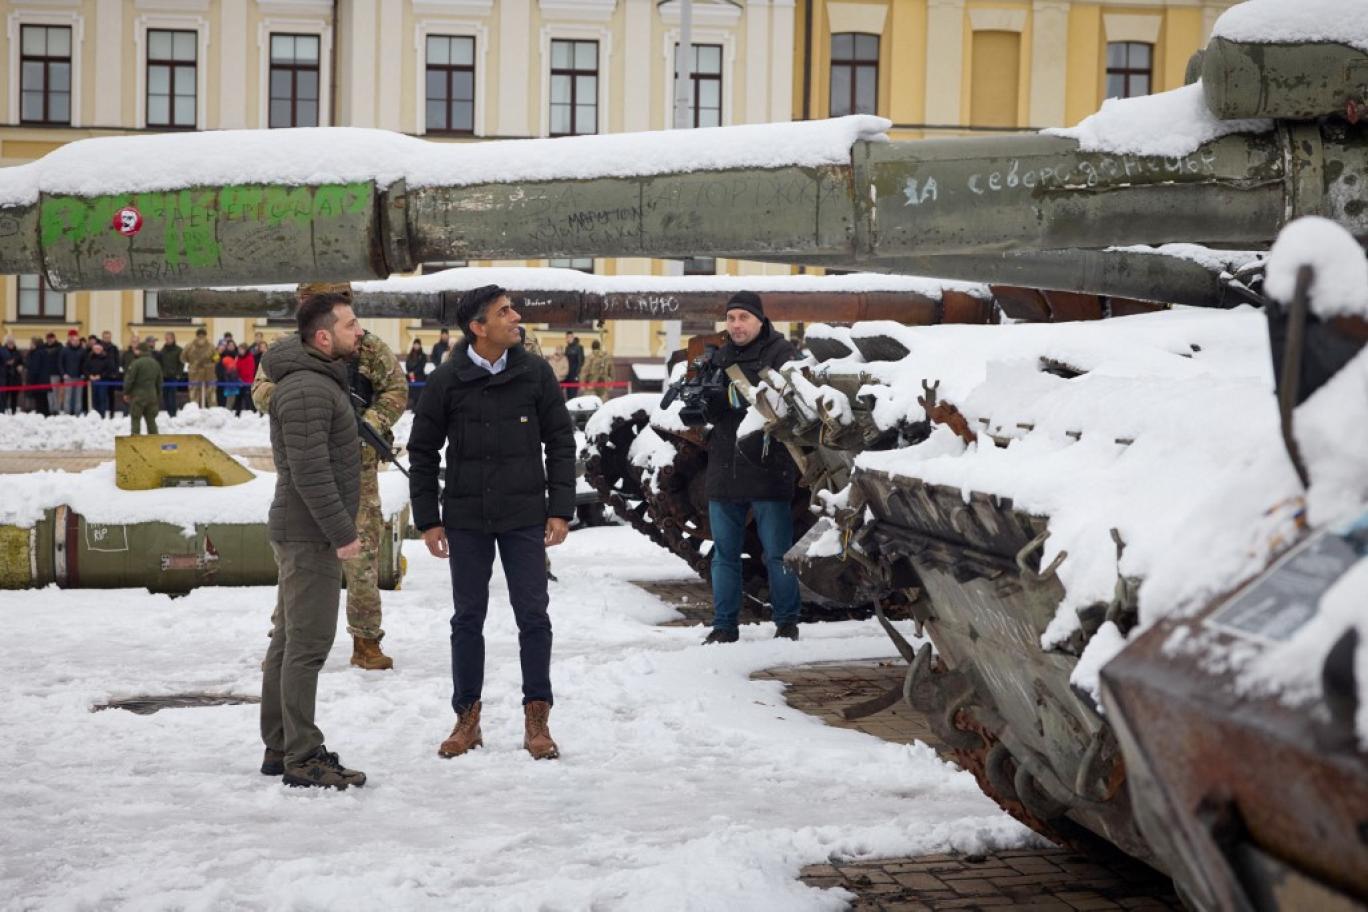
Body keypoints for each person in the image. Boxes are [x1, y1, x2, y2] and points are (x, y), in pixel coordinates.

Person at [408, 284, 576, 762]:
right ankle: (467, 718)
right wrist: (428, 520)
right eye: (504, 312)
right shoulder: (448, 379)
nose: (516, 317)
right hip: (467, 518)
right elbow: (422, 451)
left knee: (533, 616)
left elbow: (560, 442)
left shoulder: (535, 373)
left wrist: (560, 509)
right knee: (467, 618)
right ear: (478, 327)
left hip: (524, 516)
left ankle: (537, 719)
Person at [253, 287, 407, 671]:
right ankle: (285, 639)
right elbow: (260, 389)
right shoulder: (287, 350)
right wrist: (307, 402)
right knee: (299, 558)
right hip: (307, 460)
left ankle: (366, 640)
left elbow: (396, 389)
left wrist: (366, 424)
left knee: (362, 556)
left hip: (358, 465)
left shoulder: (367, 346)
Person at [256, 290, 367, 790]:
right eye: (350, 325)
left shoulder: (316, 381)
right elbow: (310, 472)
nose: (359, 331)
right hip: (310, 535)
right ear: (323, 337)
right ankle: (302, 755)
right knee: (307, 645)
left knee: (289, 642)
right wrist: (342, 533)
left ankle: (281, 745)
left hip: (305, 530)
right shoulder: (306, 389)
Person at [699, 291, 803, 645]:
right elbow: (711, 415)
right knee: (724, 555)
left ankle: (787, 622)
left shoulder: (781, 353)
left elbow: (788, 403)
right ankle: (724, 626)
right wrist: (705, 400)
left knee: (776, 553)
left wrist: (734, 395)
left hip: (767, 468)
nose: (736, 325)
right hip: (724, 468)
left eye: (743, 317)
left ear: (760, 320)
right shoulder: (719, 356)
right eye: (731, 318)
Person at [122, 341, 163, 434]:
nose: (134, 351)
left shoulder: (136, 363)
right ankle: (154, 440)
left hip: (138, 396)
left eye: (136, 350)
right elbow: (159, 382)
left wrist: (126, 392)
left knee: (136, 419)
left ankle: (136, 440)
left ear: (140, 351)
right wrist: (158, 395)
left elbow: (130, 380)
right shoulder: (155, 363)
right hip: (152, 396)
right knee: (151, 420)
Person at [84, 341, 119, 418]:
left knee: (102, 398)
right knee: (94, 399)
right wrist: (89, 376)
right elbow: (85, 368)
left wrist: (100, 376)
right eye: (95, 348)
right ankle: (95, 415)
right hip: (92, 381)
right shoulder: (89, 357)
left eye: (98, 348)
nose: (97, 350)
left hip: (103, 381)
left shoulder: (106, 358)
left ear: (101, 349)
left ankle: (102, 415)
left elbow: (109, 369)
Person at [182, 328, 215, 408]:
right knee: (194, 393)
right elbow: (183, 358)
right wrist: (191, 365)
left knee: (211, 392)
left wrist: (211, 364)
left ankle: (213, 409)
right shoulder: (189, 346)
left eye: (203, 336)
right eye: (199, 336)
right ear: (196, 336)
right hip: (194, 373)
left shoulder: (211, 346)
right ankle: (194, 409)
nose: (201, 337)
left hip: (208, 373)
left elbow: (216, 358)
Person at [57, 330, 86, 414]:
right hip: (68, 377)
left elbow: (85, 363)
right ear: (70, 341)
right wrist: (63, 374)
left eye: (77, 340)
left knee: (78, 396)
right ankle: (67, 412)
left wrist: (83, 373)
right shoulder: (64, 350)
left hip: (79, 377)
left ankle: (77, 412)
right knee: (68, 396)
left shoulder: (82, 351)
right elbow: (60, 363)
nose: (75, 342)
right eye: (73, 340)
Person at [159, 332, 183, 417]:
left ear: (173, 339)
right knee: (165, 395)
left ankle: (173, 413)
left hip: (173, 376)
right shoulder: (163, 350)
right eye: (166, 339)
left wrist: (179, 374)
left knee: (172, 395)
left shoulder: (179, 350)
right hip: (164, 376)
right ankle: (168, 413)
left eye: (168, 339)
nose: (166, 340)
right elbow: (160, 362)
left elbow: (181, 363)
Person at [405, 338, 427, 411]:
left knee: (418, 391)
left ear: (420, 345)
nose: (416, 346)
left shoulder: (423, 356)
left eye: (418, 344)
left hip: (419, 376)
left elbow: (421, 366)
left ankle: (417, 406)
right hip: (410, 376)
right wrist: (410, 373)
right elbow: (407, 365)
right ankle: (410, 405)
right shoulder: (410, 355)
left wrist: (414, 372)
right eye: (415, 344)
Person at [0, 336, 20, 413]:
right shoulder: (2, 351)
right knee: (3, 396)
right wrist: (6, 363)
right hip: (4, 377)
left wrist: (21, 366)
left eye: (12, 342)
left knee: (14, 397)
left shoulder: (17, 352)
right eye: (9, 342)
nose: (11, 343)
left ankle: (13, 411)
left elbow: (21, 361)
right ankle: (2, 411)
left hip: (14, 378)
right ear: (6, 342)